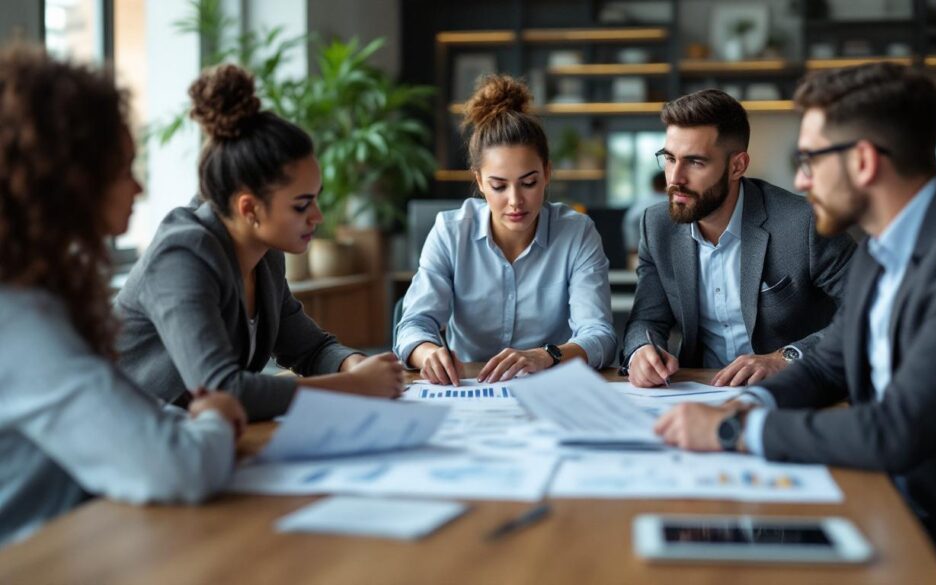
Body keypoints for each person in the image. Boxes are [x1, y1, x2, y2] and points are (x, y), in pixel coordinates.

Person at [654, 63, 936, 584]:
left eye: (809, 160)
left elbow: (896, 429)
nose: (801, 180)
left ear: (864, 161)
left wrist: (736, 429)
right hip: (889, 507)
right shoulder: (883, 242)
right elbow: (831, 362)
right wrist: (749, 402)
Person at [0, 46, 245, 547]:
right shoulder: (18, 320)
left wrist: (182, 419)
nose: (138, 187)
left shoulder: (36, 291)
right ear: (68, 182)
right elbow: (178, 470)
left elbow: (114, 407)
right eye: (124, 169)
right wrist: (217, 418)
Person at [115, 64, 403, 422]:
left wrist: (352, 364)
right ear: (249, 208)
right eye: (301, 205)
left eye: (316, 198)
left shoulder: (264, 256)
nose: (318, 216)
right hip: (127, 453)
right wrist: (355, 387)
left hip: (200, 444)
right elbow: (224, 390)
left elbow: (310, 349)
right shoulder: (181, 256)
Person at [622, 89, 856, 388]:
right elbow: (646, 320)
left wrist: (787, 357)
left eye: (695, 162)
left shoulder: (804, 223)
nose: (675, 178)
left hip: (794, 390)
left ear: (737, 166)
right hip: (696, 391)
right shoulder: (657, 225)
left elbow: (871, 309)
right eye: (669, 158)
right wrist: (641, 350)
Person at [395, 74, 617, 385]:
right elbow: (414, 324)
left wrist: (545, 355)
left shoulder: (576, 233)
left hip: (551, 386)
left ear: (547, 173)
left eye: (529, 183)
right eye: (499, 186)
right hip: (468, 387)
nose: (515, 201)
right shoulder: (450, 232)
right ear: (480, 181)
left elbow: (600, 335)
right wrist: (429, 352)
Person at [622, 171, 668, 255]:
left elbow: (631, 223)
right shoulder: (675, 202)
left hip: (643, 251)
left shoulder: (642, 202)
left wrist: (633, 251)